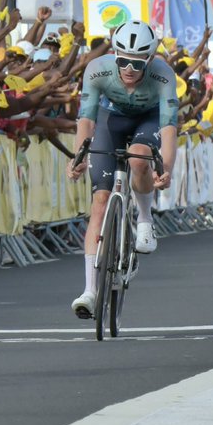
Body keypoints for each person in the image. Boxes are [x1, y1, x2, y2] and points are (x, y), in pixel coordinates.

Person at [66, 20, 178, 320]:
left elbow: (168, 129)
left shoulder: (163, 75)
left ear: (150, 59)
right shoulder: (97, 69)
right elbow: (86, 121)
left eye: (137, 63)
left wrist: (164, 169)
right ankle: (90, 291)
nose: (128, 68)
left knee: (139, 158)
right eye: (123, 60)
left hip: (148, 120)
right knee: (100, 202)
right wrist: (79, 156)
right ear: (114, 54)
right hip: (109, 119)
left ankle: (144, 219)